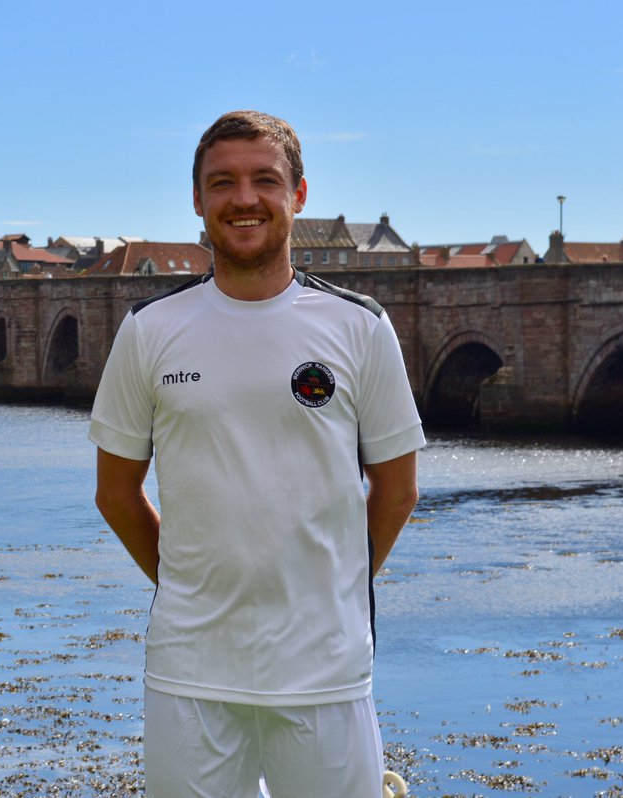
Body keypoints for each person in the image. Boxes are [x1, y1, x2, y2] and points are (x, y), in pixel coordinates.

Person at [89, 110, 424, 798]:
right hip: (190, 672)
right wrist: (191, 582)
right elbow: (116, 493)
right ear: (198, 200)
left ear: (298, 194)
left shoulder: (360, 326)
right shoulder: (150, 332)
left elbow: (397, 490)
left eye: (264, 180)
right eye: (223, 183)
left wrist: (329, 588)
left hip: (325, 672)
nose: (244, 199)